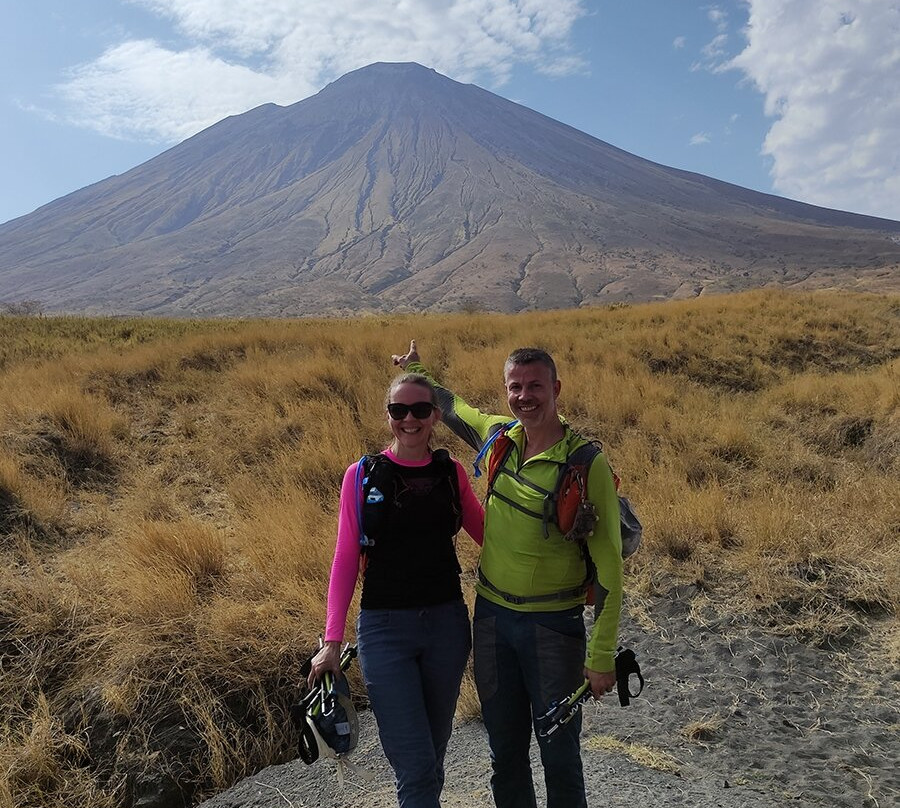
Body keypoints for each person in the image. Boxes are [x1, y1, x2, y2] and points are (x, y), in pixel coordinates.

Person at [392, 341, 623, 808]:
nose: (524, 396)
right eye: (515, 387)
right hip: (494, 621)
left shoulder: (585, 464)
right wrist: (416, 368)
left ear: (556, 388)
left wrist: (601, 654)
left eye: (535, 385)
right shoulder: (499, 437)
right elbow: (454, 409)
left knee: (560, 756)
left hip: (553, 627)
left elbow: (610, 564)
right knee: (505, 753)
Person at [308, 372, 484, 808]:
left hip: (446, 626)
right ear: (388, 416)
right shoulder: (363, 474)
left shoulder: (450, 473)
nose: (410, 419)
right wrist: (331, 641)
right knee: (416, 762)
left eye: (420, 410)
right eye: (398, 410)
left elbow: (493, 539)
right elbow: (345, 559)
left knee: (431, 753)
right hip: (385, 631)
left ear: (435, 416)